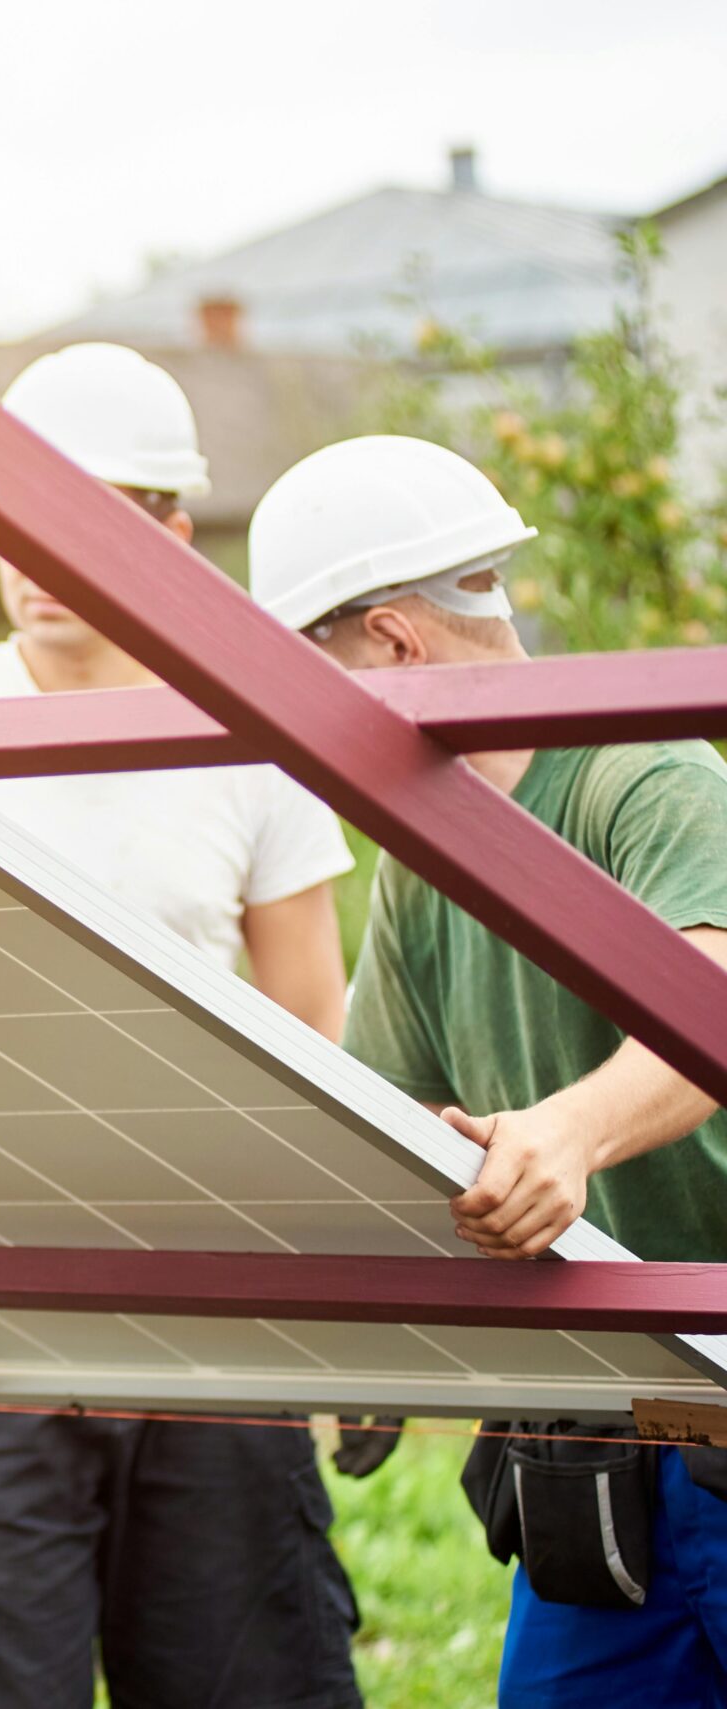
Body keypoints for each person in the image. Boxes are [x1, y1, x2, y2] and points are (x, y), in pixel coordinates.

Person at [0, 343, 364, 1709]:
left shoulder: (252, 737)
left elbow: (309, 1032)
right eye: (13, 518)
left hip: (211, 1317)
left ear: (168, 529)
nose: (35, 558)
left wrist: (328, 1310)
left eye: (83, 516)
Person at [251, 433, 727, 1707]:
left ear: (397, 641)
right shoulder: (421, 863)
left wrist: (566, 1133)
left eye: (312, 677)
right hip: (593, 1435)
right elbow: (389, 1104)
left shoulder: (649, 774)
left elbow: (717, 999)